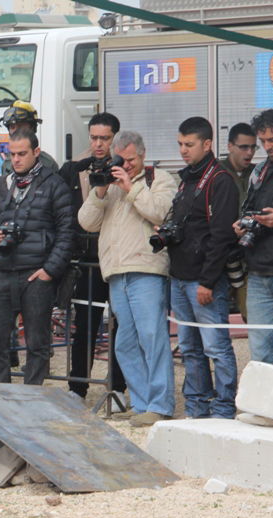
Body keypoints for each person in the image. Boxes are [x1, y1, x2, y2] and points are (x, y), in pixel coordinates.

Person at [78, 130, 177, 427]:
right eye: (121, 160)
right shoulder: (108, 184)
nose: (127, 165)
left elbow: (161, 213)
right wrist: (99, 191)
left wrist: (131, 187)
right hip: (116, 272)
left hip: (147, 269)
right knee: (125, 342)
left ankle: (160, 404)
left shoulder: (159, 179)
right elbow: (86, 222)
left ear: (143, 155)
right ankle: (141, 402)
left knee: (152, 337)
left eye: (131, 160)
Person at [0, 130, 73, 385]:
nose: (16, 159)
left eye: (22, 154)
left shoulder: (54, 184)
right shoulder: (0, 184)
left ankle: (33, 398)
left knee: (37, 345)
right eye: (12, 154)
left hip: (36, 274)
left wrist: (49, 270)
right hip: (1, 270)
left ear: (36, 152)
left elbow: (67, 232)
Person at [169, 116, 239, 420]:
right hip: (179, 276)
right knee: (189, 347)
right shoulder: (187, 177)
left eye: (189, 144)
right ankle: (197, 407)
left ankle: (223, 408)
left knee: (216, 347)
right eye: (180, 144)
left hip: (203, 280)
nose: (183, 150)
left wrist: (208, 281)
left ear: (207, 144)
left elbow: (222, 237)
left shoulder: (220, 179)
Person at [60, 112, 127, 407]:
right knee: (84, 327)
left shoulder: (125, 166)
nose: (99, 144)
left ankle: (118, 389)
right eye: (94, 138)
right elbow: (64, 213)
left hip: (118, 255)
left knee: (121, 328)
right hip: (87, 258)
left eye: (105, 138)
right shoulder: (73, 168)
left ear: (115, 138)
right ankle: (77, 389)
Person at [234, 108, 273, 365]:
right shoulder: (260, 171)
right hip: (259, 273)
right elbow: (249, 209)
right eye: (263, 141)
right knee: (260, 355)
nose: (267, 146)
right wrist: (243, 224)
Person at [220, 122, 257, 321]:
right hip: (219, 258)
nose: (249, 152)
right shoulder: (216, 173)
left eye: (253, 147)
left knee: (253, 315)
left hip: (249, 258)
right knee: (214, 321)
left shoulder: (260, 173)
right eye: (244, 147)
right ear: (230, 146)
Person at [0, 100, 59, 176]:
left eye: (20, 126)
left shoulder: (48, 164)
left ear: (32, 128)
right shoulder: (7, 164)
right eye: (12, 127)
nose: (16, 131)